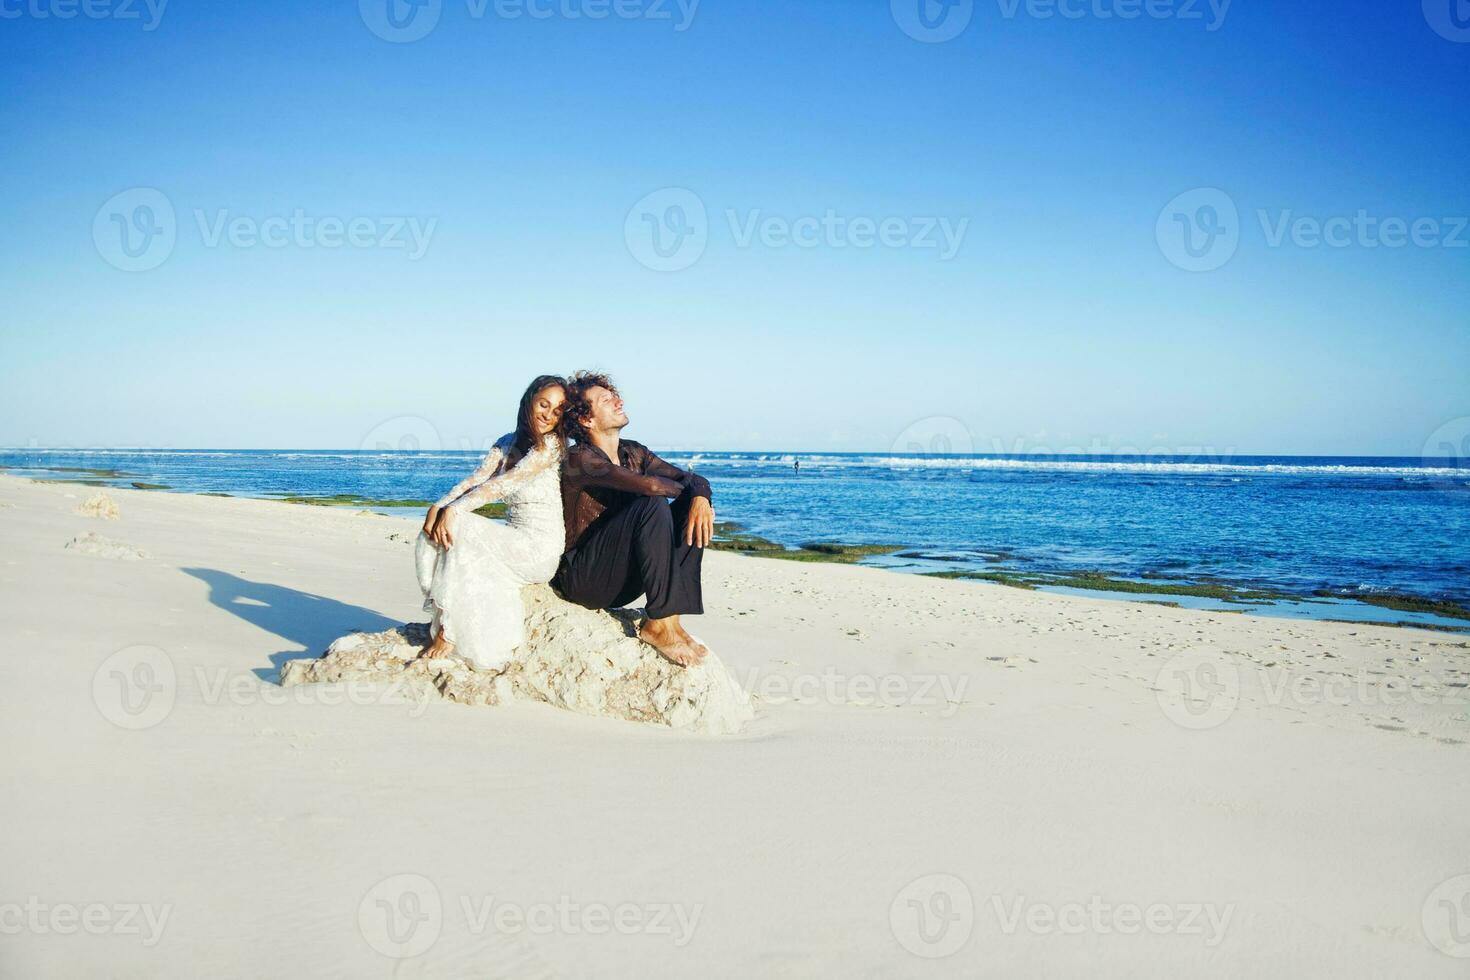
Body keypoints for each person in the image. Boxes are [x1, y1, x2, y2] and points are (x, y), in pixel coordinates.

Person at [552, 371, 714, 667]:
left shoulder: (634, 452)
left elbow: (690, 478)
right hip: (584, 580)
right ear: (587, 419)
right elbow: (652, 487)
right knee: (652, 502)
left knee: (690, 504)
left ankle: (669, 623)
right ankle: (659, 624)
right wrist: (689, 492)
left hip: (623, 579)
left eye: (614, 396)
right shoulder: (580, 459)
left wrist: (699, 497)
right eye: (606, 400)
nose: (618, 401)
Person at [413, 375, 567, 671]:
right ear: (529, 402)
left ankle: (449, 632)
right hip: (514, 537)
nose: (548, 415)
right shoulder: (506, 442)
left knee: (460, 524)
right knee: (434, 528)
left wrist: (455, 511)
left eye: (557, 410)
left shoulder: (551, 446)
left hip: (540, 549)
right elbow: (478, 480)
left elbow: (504, 485)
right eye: (543, 405)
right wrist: (440, 504)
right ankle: (443, 613)